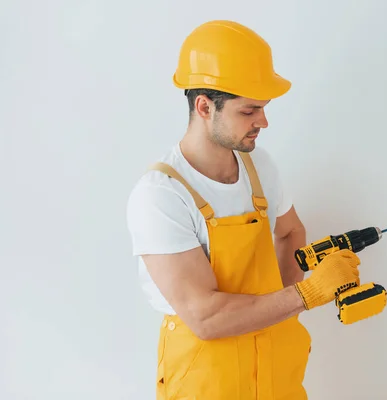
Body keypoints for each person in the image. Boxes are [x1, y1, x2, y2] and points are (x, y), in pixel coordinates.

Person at [126, 20, 362, 400]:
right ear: (205, 106)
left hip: (274, 369)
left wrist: (280, 309)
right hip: (208, 375)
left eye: (263, 109)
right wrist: (307, 294)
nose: (263, 122)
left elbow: (289, 232)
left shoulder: (259, 167)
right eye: (249, 110)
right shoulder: (161, 196)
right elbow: (206, 316)